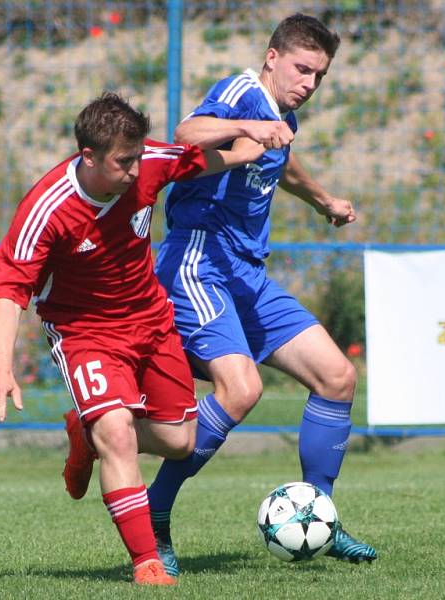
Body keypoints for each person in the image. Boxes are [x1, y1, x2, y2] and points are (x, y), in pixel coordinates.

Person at [0, 92, 264, 586]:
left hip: (152, 322)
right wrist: (0, 368)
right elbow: (10, 289)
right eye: (122, 162)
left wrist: (246, 150)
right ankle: (146, 563)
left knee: (178, 441)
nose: (134, 171)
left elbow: (193, 161)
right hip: (84, 330)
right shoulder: (47, 207)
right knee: (118, 431)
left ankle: (84, 430)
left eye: (136, 158)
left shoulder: (146, 160)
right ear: (88, 156)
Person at [145, 14, 378, 576]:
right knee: (241, 388)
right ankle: (153, 516)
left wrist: (323, 199)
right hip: (198, 263)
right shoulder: (243, 90)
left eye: (319, 75)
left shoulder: (282, 114)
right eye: (301, 68)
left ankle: (320, 515)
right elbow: (185, 133)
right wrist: (245, 129)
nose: (308, 83)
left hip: (246, 273)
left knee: (337, 377)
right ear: (272, 57)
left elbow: (283, 163)